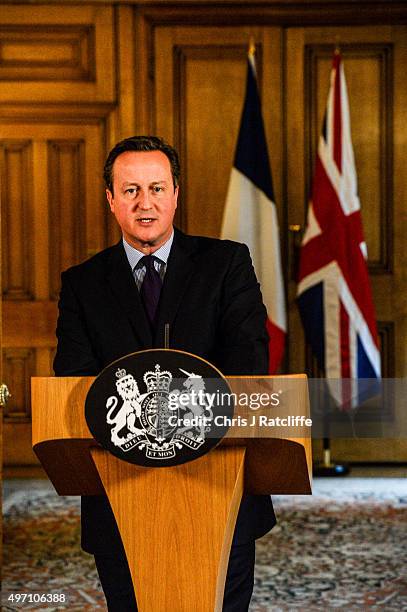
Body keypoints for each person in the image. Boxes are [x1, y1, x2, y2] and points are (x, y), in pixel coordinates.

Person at [54, 135, 275, 611]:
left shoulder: (226, 263)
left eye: (157, 188)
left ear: (176, 194)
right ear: (111, 200)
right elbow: (72, 376)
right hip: (119, 487)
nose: (145, 203)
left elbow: (250, 360)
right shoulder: (82, 283)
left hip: (218, 479)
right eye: (130, 190)